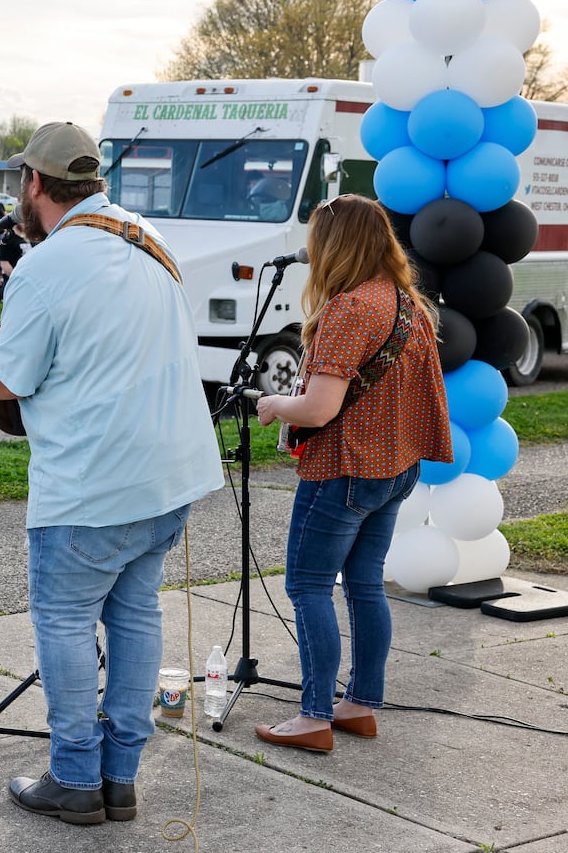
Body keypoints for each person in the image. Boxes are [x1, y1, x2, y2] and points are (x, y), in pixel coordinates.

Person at [0, 121, 223, 826]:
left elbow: (8, 377)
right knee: (137, 615)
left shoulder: (47, 265)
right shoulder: (149, 239)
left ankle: (77, 779)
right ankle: (120, 778)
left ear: (34, 185)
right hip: (167, 476)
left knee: (63, 621)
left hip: (93, 486)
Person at [253, 194, 452, 754]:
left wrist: (274, 405)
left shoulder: (348, 308)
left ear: (333, 245)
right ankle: (361, 704)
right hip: (395, 468)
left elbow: (318, 409)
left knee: (309, 585)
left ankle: (314, 715)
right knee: (364, 585)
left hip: (345, 470)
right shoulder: (407, 303)